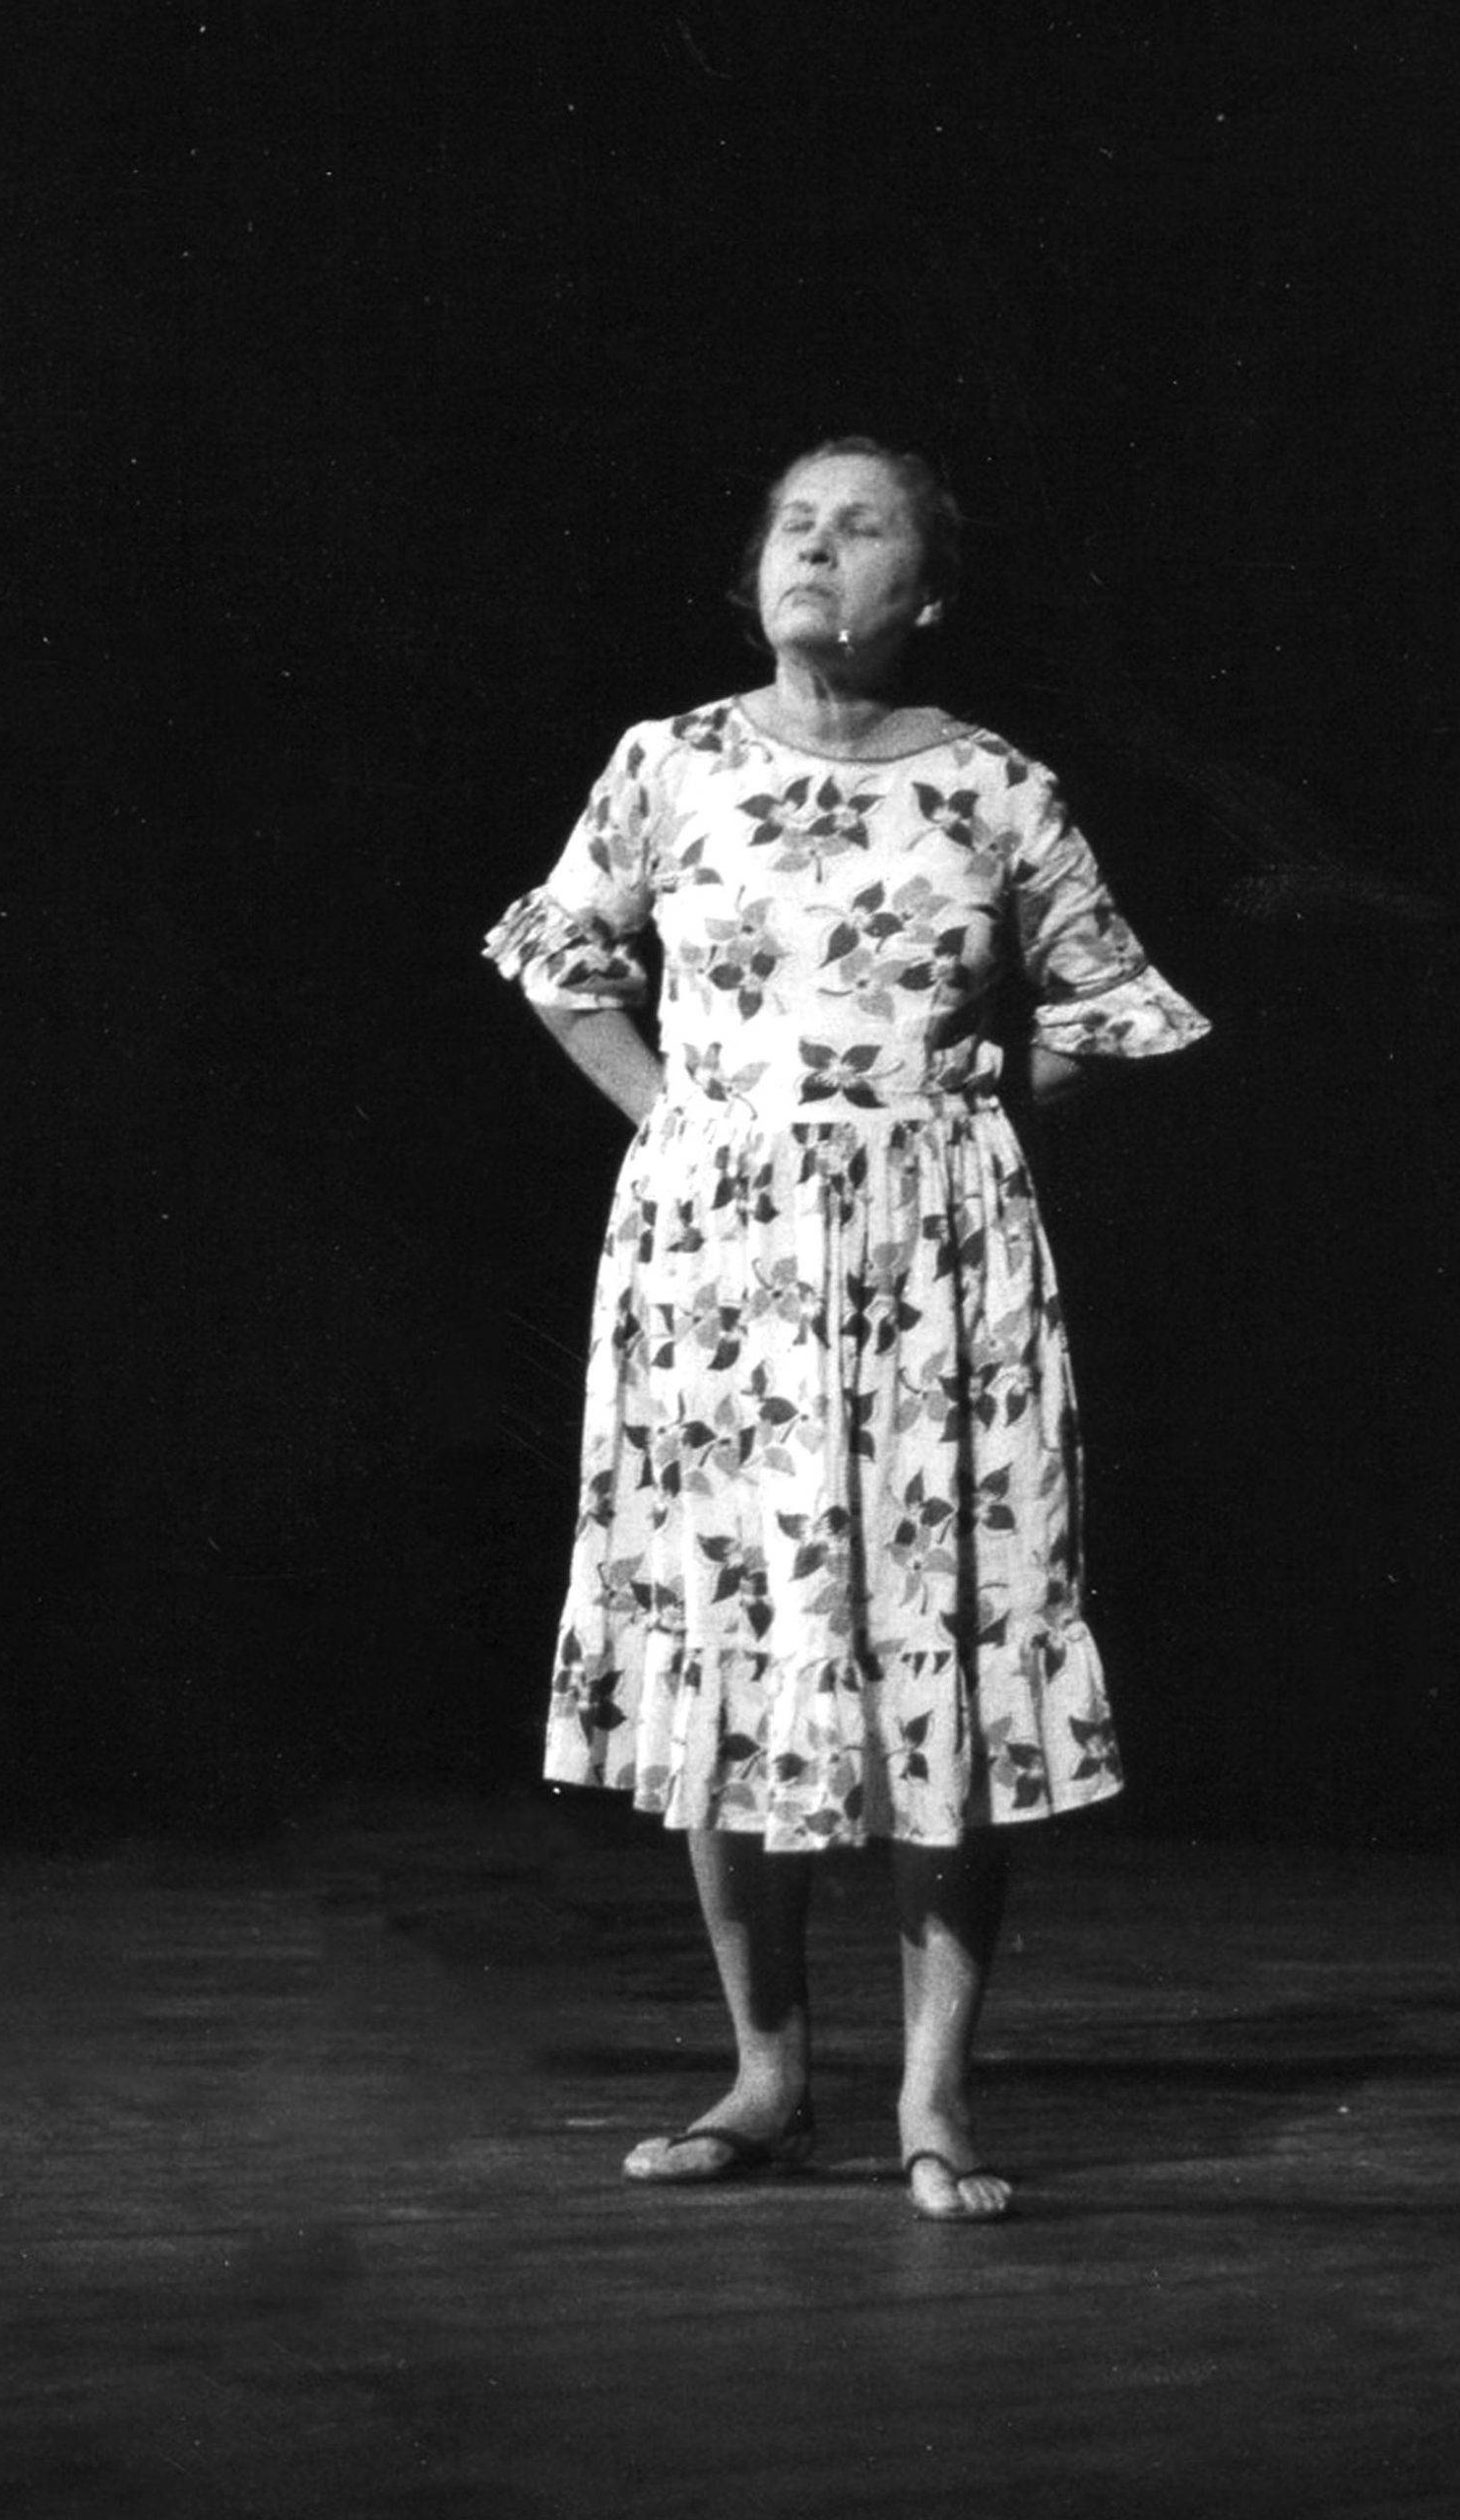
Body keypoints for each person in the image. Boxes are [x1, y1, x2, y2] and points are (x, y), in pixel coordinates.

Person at [483, 438, 1208, 2222]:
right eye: (791, 526)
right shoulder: (669, 761)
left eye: (859, 526)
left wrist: (950, 1118)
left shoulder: (996, 787)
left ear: (928, 593)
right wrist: (682, 1124)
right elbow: (562, 960)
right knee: (735, 1631)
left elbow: (1114, 1006)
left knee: (936, 1631)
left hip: (933, 1268)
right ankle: (767, 2079)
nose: (816, 549)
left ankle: (935, 2098)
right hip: (716, 1264)